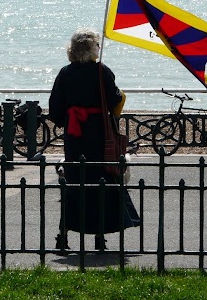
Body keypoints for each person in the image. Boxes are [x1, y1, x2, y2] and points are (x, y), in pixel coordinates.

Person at [48, 28, 139, 252]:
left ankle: (64, 236)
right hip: (99, 134)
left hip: (75, 135)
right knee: (100, 182)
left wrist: (67, 119)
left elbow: (54, 109)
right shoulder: (102, 71)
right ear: (91, 49)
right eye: (96, 45)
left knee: (75, 182)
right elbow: (114, 100)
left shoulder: (65, 73)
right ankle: (99, 236)